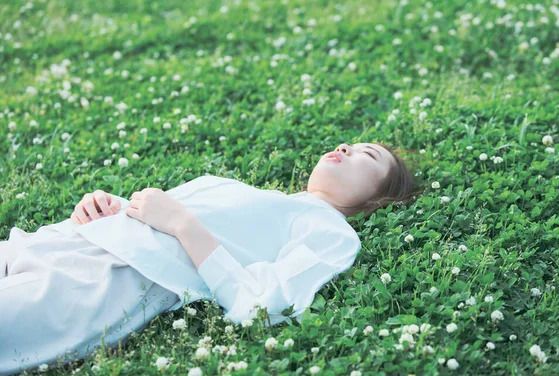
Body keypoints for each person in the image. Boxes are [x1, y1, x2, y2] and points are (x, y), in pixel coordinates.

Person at [0, 142, 422, 375]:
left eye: (368, 155)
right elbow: (155, 219)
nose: (347, 147)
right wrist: (105, 210)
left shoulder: (332, 232)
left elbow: (261, 303)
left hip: (108, 281)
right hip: (62, 240)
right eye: (351, 144)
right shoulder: (265, 198)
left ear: (377, 201)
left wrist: (182, 223)